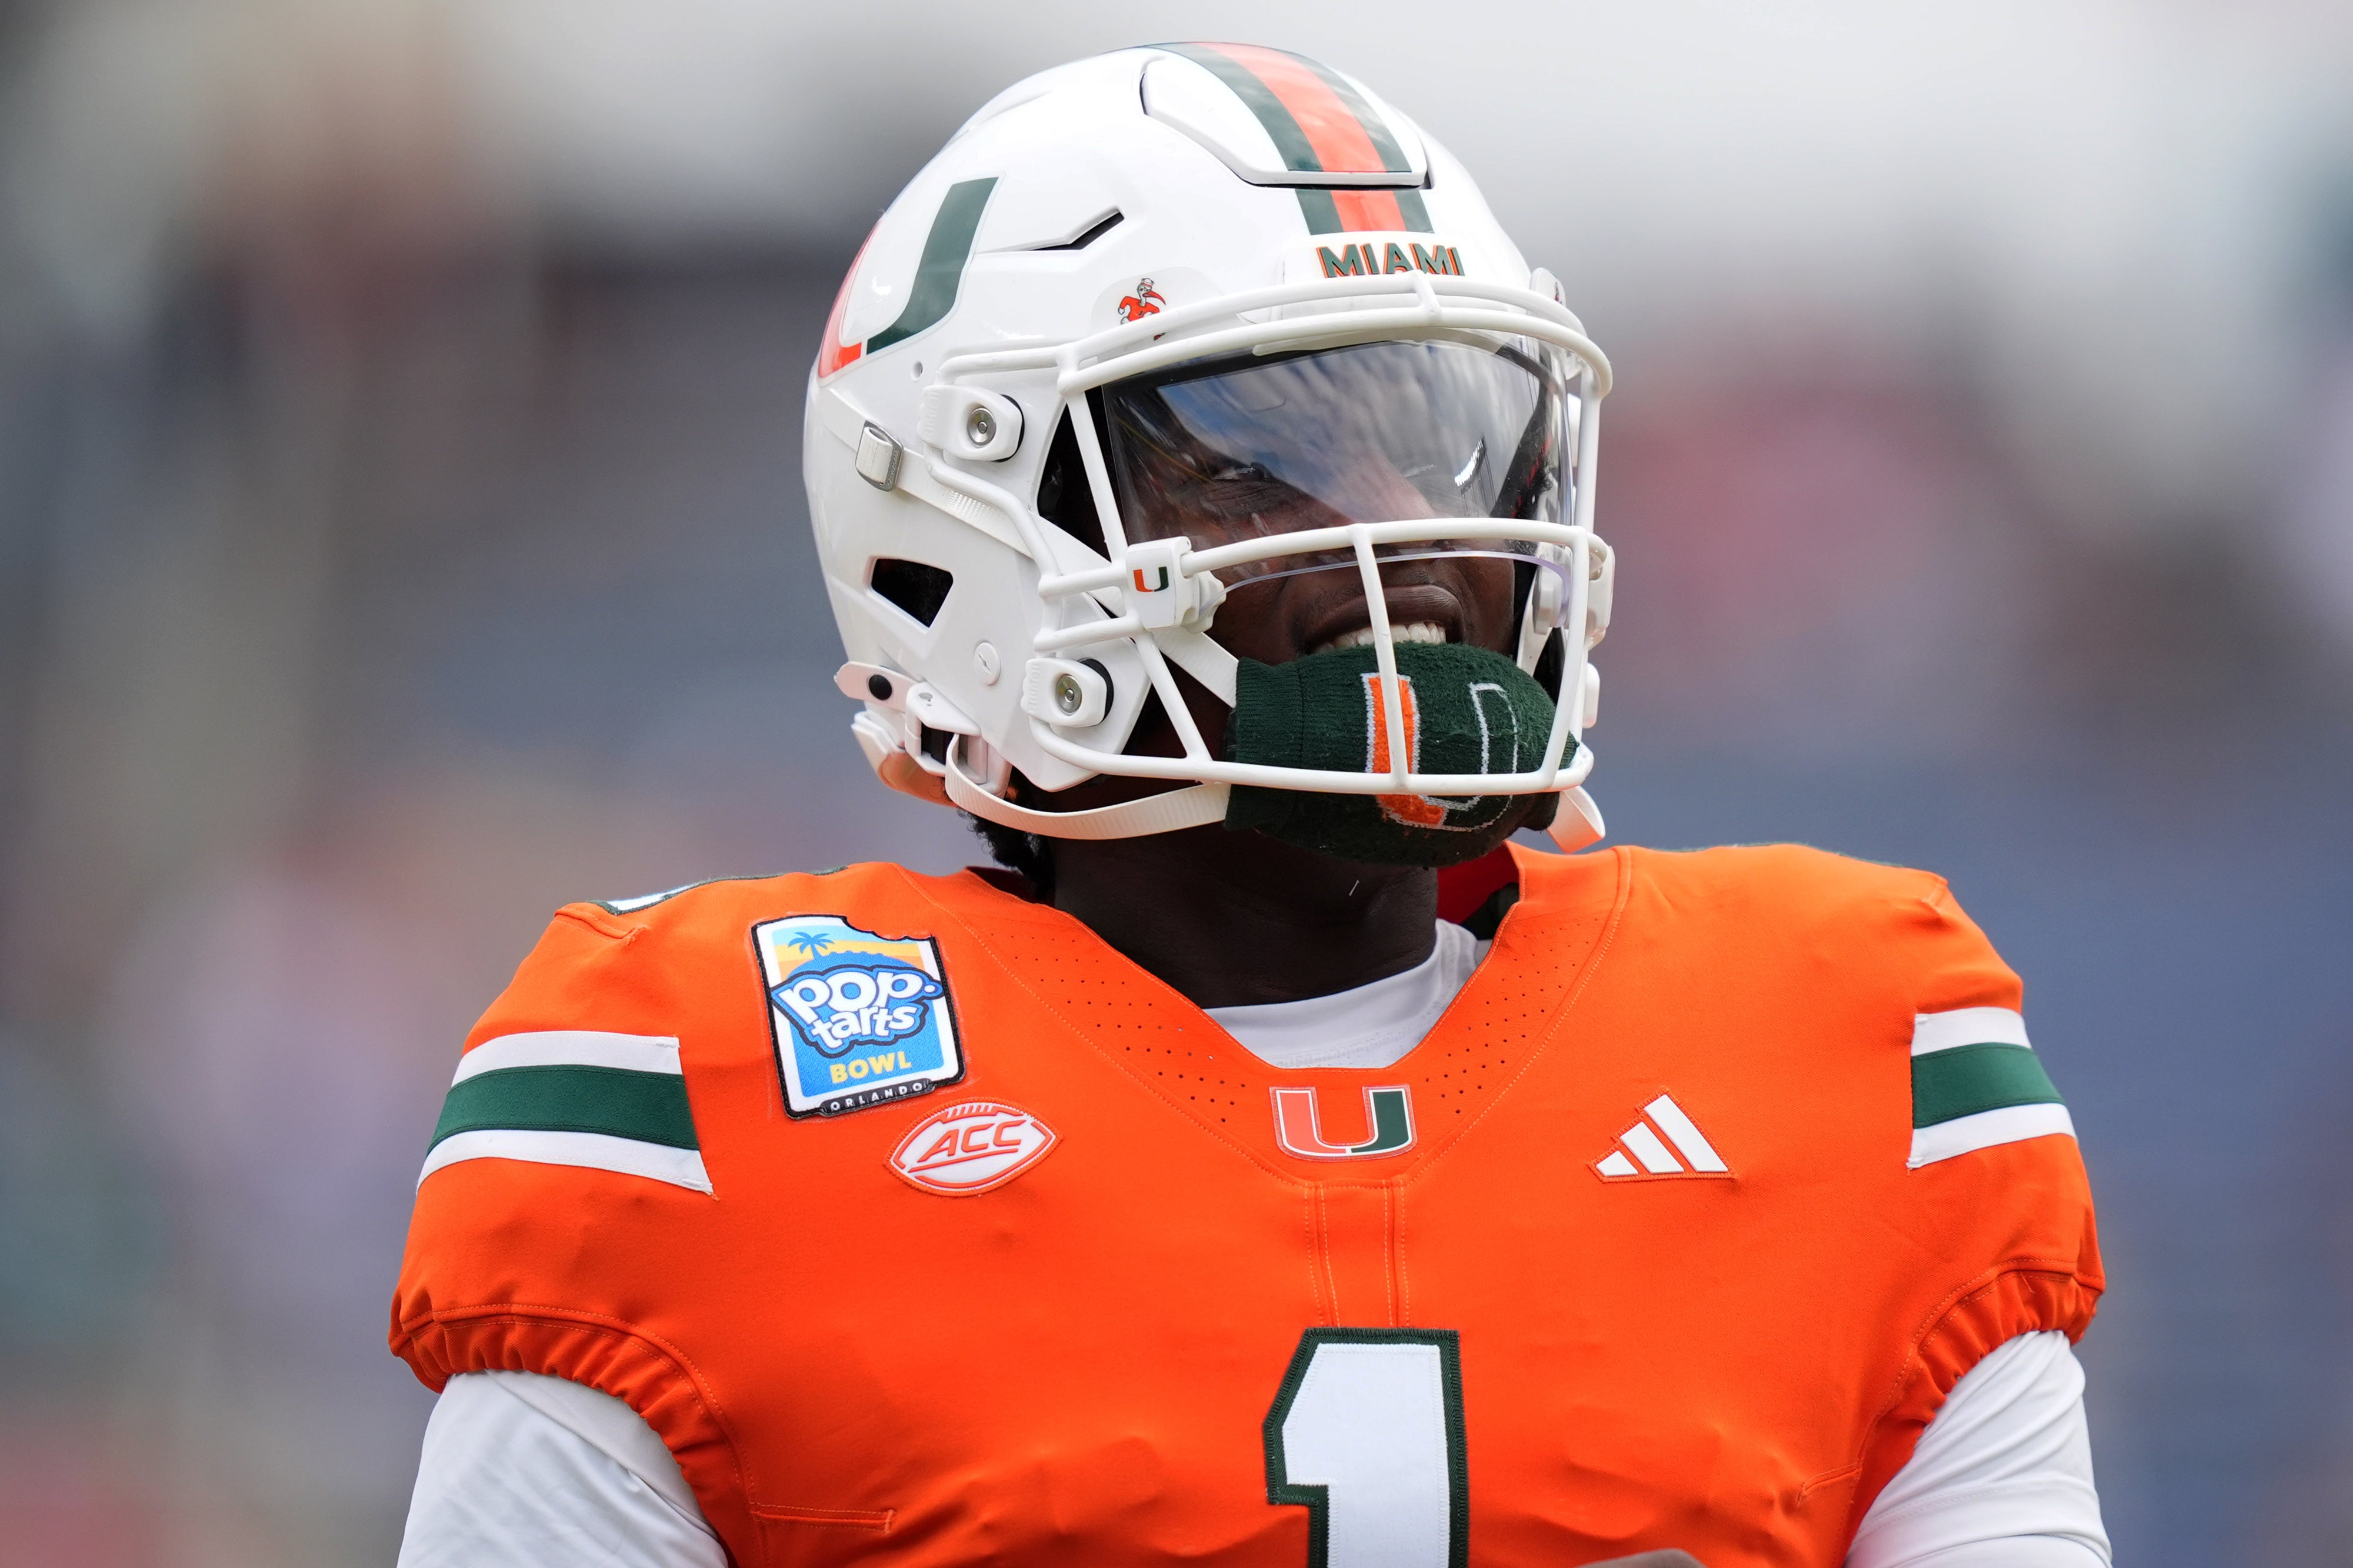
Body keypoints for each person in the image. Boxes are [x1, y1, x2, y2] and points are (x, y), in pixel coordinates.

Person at [390, 43, 2108, 1568]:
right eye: (1247, 450)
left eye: (1435, 441)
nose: (1405, 536)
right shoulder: (700, 1102)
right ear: (965, 526)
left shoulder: (1837, 1039)